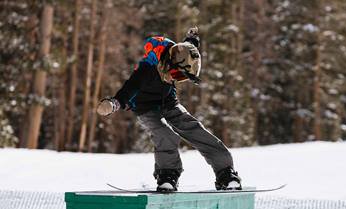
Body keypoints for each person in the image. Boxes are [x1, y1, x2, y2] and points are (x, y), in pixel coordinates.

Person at [96, 27, 242, 191]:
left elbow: (185, 48)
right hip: (146, 108)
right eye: (178, 74)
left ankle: (225, 173)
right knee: (164, 133)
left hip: (169, 102)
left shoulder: (175, 54)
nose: (176, 79)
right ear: (168, 63)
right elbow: (130, 88)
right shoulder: (148, 69)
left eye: (182, 78)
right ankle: (167, 174)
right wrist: (114, 102)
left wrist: (191, 39)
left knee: (195, 129)